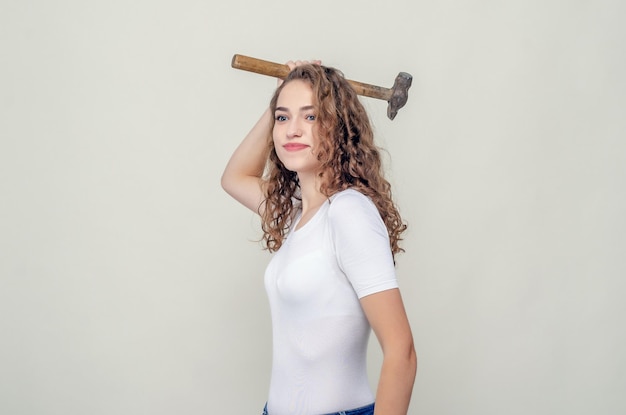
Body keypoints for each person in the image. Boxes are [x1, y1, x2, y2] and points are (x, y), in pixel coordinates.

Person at [221, 59, 417, 415]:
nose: (291, 130)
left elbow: (401, 349)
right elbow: (234, 177)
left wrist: (288, 98)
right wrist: (284, 88)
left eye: (310, 117)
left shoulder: (348, 212)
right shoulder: (297, 211)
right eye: (283, 118)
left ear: (338, 128)